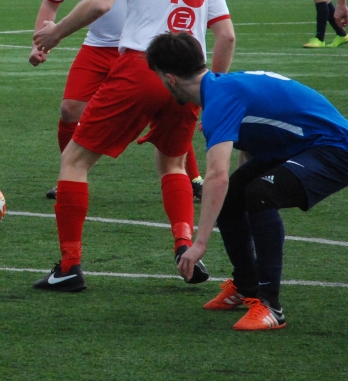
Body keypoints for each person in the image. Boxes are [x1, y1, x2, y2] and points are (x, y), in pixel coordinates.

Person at [31, 0, 236, 292]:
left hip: (142, 65)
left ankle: (69, 265)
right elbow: (227, 36)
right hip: (192, 77)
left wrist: (56, 35)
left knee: (74, 160)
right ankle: (184, 248)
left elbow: (102, 2)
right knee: (173, 165)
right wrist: (212, 95)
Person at [147, 31, 348, 331]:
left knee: (261, 193)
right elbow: (258, 136)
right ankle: (246, 286)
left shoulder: (218, 101)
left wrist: (199, 244)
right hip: (301, 144)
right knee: (236, 198)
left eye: (160, 77)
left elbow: (215, 176)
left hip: (333, 148)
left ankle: (271, 306)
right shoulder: (221, 86)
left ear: (171, 79)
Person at [34, 0, 204, 202]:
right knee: (70, 108)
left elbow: (109, 0)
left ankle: (192, 178)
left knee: (168, 106)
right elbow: (50, 4)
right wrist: (39, 44)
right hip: (97, 46)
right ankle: (68, 175)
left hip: (139, 49)